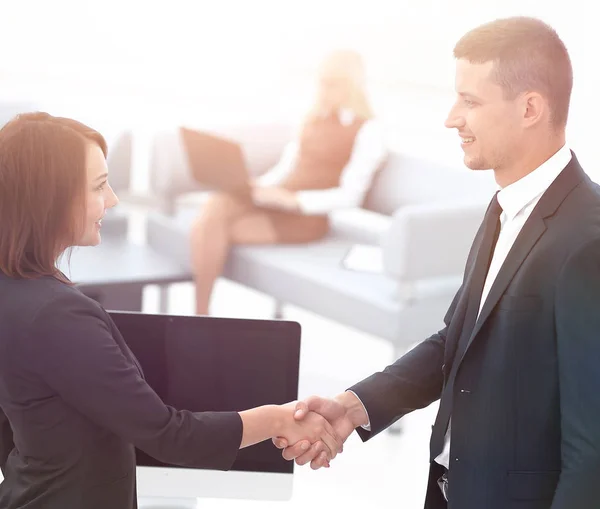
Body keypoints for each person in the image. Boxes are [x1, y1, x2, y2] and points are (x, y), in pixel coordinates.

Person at [274, 16, 600, 509]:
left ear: (530, 107)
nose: (451, 118)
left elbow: (592, 450)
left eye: (470, 101)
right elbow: (457, 341)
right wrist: (354, 406)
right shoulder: (503, 207)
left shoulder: (588, 240)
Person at [0, 112, 342, 509]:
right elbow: (169, 436)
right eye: (98, 186)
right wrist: (277, 418)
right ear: (51, 196)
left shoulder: (12, 289)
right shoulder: (59, 315)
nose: (111, 199)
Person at [189, 49, 387, 315]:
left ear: (353, 86)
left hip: (305, 217)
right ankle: (201, 316)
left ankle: (200, 317)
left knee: (212, 229)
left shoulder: (368, 130)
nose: (324, 89)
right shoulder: (311, 118)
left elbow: (351, 195)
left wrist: (294, 201)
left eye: (333, 83)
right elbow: (287, 167)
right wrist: (260, 187)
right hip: (277, 200)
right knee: (217, 204)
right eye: (322, 82)